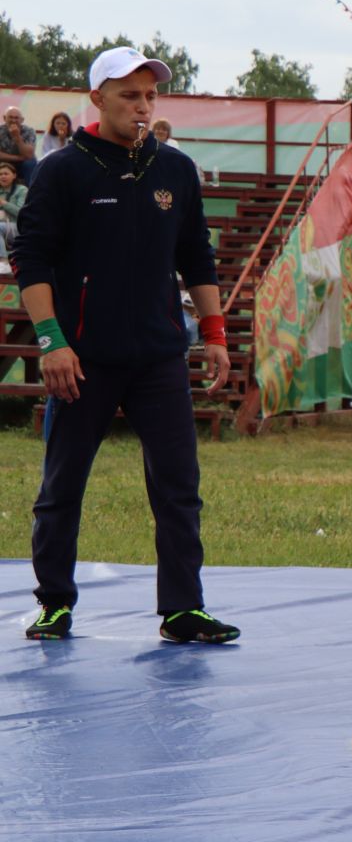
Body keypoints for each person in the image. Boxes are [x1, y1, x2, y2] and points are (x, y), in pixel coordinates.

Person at [17, 46, 239, 643]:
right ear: (98, 99)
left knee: (178, 488)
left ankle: (183, 610)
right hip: (82, 358)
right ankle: (54, 603)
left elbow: (197, 255)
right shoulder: (63, 169)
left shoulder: (174, 169)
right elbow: (30, 258)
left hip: (159, 355)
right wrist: (52, 340)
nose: (142, 108)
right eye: (129, 96)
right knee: (62, 487)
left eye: (150, 96)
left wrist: (215, 335)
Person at [1, 105, 39, 185]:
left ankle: (30, 192)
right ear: (4, 118)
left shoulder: (29, 131)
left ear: (22, 120)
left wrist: (17, 137)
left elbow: (29, 155)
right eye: (10, 117)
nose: (13, 120)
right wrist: (17, 158)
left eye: (16, 118)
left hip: (22, 164)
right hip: (3, 162)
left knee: (30, 163)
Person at [0, 162, 25, 258]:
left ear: (14, 175)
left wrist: (3, 203)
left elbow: (21, 213)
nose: (2, 177)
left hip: (17, 227)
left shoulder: (21, 190)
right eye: (0, 174)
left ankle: (3, 261)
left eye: (6, 174)